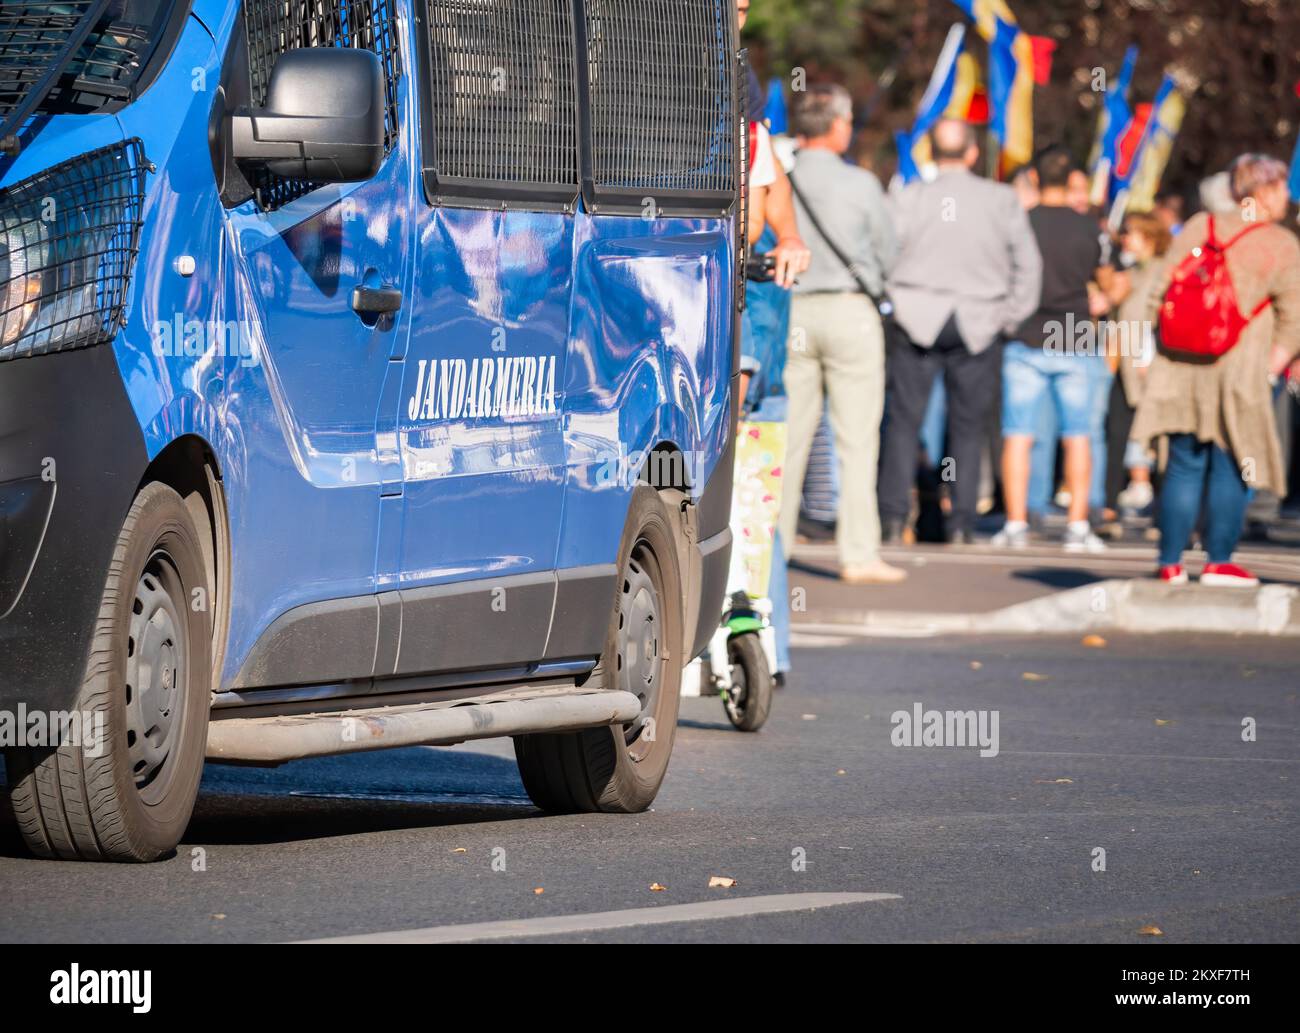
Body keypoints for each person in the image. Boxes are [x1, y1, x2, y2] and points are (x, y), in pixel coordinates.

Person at [1131, 153, 1300, 585]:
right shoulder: (1279, 244)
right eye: (1282, 188)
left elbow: (1160, 288)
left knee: (1183, 464)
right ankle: (1218, 561)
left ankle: (1170, 562)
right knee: (1233, 461)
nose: (1288, 196)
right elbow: (1296, 314)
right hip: (1242, 370)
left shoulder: (1198, 227)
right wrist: (1273, 365)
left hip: (1181, 365)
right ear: (1262, 192)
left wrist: (1144, 354)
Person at [879, 118, 1042, 545]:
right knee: (968, 428)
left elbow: (882, 254)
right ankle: (962, 522)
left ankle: (894, 519)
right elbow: (1029, 265)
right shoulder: (1001, 200)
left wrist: (895, 302)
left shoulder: (908, 197)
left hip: (916, 319)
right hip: (980, 322)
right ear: (973, 154)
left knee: (901, 424)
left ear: (931, 152)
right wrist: (1009, 317)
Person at [778, 83, 903, 584]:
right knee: (857, 440)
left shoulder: (780, 178)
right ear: (835, 126)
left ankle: (774, 550)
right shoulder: (862, 184)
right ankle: (859, 554)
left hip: (795, 310)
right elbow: (887, 251)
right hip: (851, 311)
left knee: (790, 439)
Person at [993, 147, 1108, 552]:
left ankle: (1016, 522)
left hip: (1025, 335)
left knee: (1018, 435)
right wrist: (1102, 298)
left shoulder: (1020, 224)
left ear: (1036, 180)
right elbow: (1112, 281)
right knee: (1078, 435)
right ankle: (1078, 525)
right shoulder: (1090, 229)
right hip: (1074, 335)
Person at [1099, 210, 1172, 531]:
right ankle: (1108, 508)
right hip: (1122, 366)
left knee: (1159, 440)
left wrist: (1146, 355)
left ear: (1150, 237)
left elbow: (1156, 318)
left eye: (1131, 233)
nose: (1125, 239)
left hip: (1148, 365)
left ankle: (1165, 513)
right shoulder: (1128, 271)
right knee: (1114, 435)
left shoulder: (1162, 271)